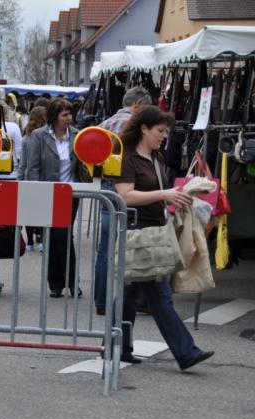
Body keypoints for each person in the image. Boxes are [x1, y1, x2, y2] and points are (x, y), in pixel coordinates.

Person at [115, 105, 214, 369]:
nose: (164, 136)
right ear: (143, 129)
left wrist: (176, 197)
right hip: (137, 233)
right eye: (160, 130)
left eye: (165, 131)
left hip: (153, 232)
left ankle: (116, 347)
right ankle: (186, 352)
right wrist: (165, 194)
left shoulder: (156, 157)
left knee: (129, 295)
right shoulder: (127, 158)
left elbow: (156, 193)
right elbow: (125, 196)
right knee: (159, 297)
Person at [94, 87, 153, 315]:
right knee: (135, 244)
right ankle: (136, 299)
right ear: (138, 104)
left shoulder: (104, 125)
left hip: (106, 187)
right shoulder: (136, 127)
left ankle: (101, 301)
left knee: (106, 247)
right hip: (130, 186)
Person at [23, 98, 85, 298]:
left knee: (64, 235)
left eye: (70, 114)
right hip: (47, 193)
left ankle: (71, 281)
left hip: (70, 193)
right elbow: (33, 167)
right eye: (64, 115)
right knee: (51, 236)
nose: (69, 118)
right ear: (54, 116)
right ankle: (56, 282)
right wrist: (35, 192)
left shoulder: (77, 135)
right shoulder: (39, 136)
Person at [17, 106, 47, 251]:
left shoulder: (26, 138)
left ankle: (29, 242)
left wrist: (19, 180)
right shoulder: (47, 137)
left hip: (28, 179)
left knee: (28, 211)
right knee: (42, 210)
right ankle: (41, 239)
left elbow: (22, 163)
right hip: (44, 180)